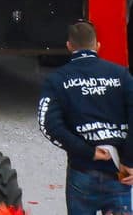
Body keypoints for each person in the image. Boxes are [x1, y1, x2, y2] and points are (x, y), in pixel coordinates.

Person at [40, 18, 133, 214]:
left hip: (83, 171)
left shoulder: (58, 79)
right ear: (98, 45)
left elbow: (49, 125)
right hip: (121, 171)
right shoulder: (122, 75)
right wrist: (130, 161)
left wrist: (86, 151)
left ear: (69, 46)